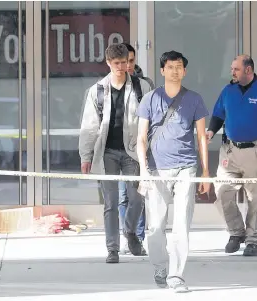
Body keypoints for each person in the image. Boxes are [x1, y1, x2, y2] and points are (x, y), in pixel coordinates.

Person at [136, 50, 210, 293]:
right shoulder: (150, 99)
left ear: (185, 71)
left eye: (179, 67)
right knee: (156, 225)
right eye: (170, 67)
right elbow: (141, 138)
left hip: (186, 168)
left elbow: (201, 136)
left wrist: (206, 171)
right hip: (156, 169)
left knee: (181, 224)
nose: (175, 70)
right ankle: (160, 266)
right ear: (162, 70)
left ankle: (176, 274)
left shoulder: (195, 99)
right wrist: (143, 171)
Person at [79, 43, 152, 264]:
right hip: (107, 152)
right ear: (109, 63)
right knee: (110, 203)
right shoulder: (97, 90)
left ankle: (129, 231)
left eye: (125, 62)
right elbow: (89, 125)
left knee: (137, 198)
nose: (122, 67)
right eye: (117, 63)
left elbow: (152, 121)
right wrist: (86, 156)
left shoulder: (142, 88)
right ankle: (112, 248)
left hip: (133, 151)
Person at [207, 55, 257, 256]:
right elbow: (218, 115)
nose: (232, 72)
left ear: (248, 70)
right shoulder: (228, 91)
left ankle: (254, 242)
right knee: (222, 191)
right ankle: (236, 232)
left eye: (236, 69)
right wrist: (211, 132)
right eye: (232, 68)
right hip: (230, 151)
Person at [117, 42, 155, 256]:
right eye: (124, 62)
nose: (128, 65)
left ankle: (137, 237)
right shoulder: (112, 83)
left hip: (138, 149)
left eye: (131, 61)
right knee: (122, 196)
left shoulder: (145, 84)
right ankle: (127, 236)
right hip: (117, 149)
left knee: (138, 195)